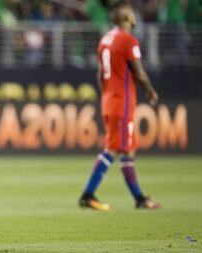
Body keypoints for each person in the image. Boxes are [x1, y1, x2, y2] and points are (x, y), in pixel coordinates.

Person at [79, 2, 160, 211]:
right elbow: (139, 74)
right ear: (125, 16)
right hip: (121, 102)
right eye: (131, 12)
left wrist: (107, 95)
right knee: (115, 148)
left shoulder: (105, 40)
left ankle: (139, 199)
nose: (134, 15)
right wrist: (150, 91)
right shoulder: (128, 40)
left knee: (127, 149)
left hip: (109, 99)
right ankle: (88, 195)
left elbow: (99, 75)